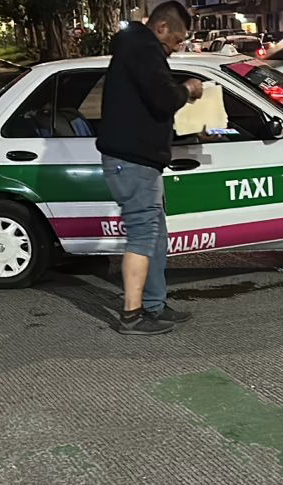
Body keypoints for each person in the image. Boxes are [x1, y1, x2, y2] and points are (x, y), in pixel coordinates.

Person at [97, 1, 203, 335]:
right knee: (143, 236)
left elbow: (148, 105)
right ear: (161, 29)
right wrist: (187, 89)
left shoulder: (137, 48)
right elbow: (162, 98)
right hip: (133, 162)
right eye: (177, 40)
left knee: (156, 237)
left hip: (140, 161)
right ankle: (132, 315)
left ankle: (154, 306)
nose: (176, 48)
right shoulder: (143, 48)